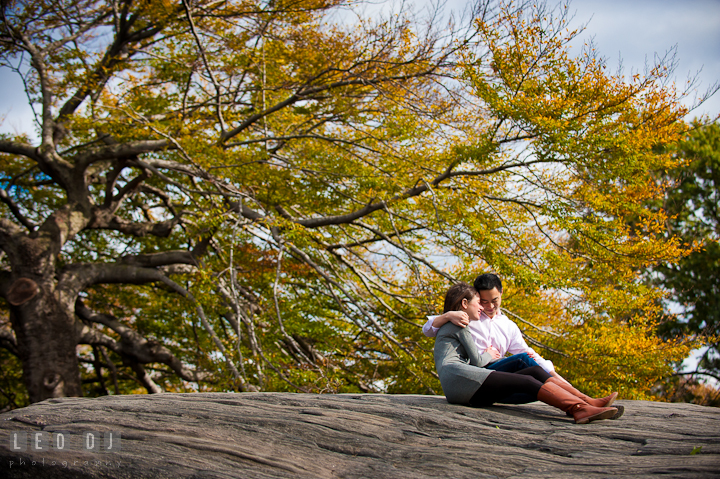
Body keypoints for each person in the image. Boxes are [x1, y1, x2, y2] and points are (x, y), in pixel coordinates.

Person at [434, 282, 623, 424]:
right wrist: (491, 354)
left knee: (532, 374)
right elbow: (477, 361)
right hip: (459, 380)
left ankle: (584, 403)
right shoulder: (458, 325)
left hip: (463, 383)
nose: (482, 308)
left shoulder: (455, 323)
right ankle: (578, 408)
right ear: (465, 303)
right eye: (479, 303)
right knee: (526, 381)